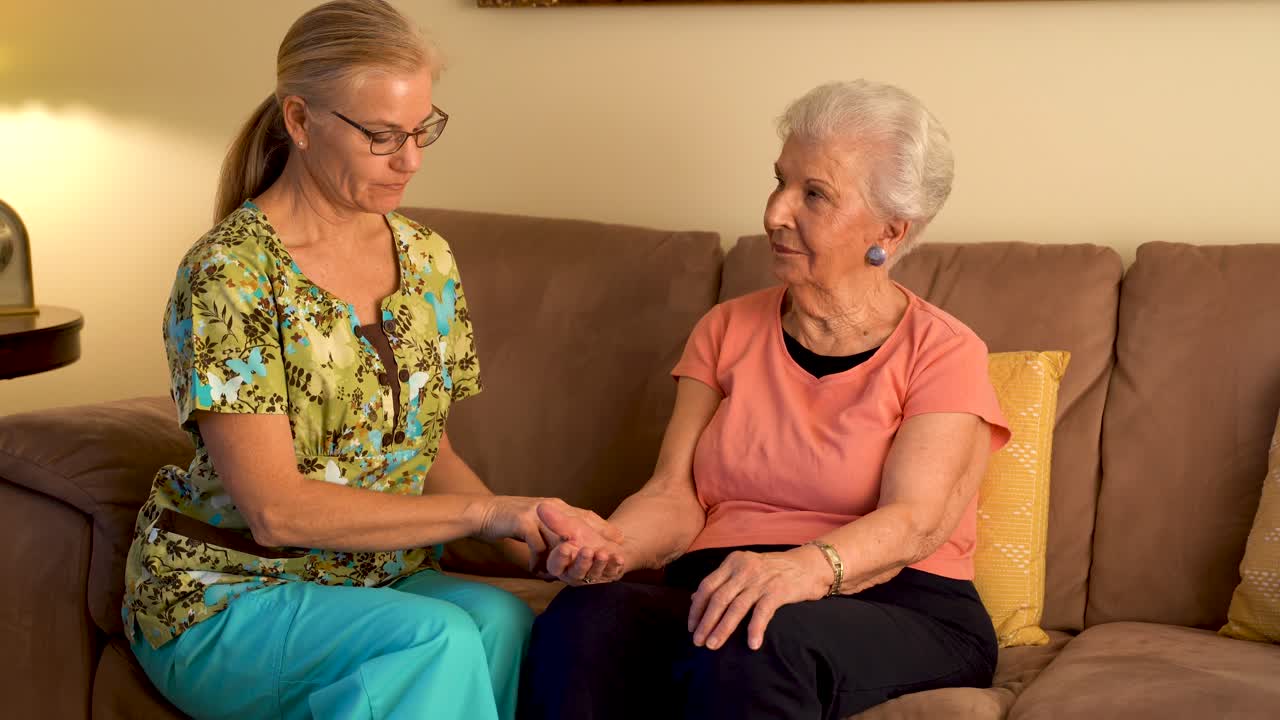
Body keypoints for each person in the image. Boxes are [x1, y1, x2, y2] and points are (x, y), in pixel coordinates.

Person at [122, 2, 617, 719]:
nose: (410, 160)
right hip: (227, 591)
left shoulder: (428, 259)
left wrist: (537, 541)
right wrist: (485, 513)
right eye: (382, 136)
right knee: (436, 638)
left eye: (422, 130)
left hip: (370, 582)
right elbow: (275, 511)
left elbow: (427, 453)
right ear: (299, 120)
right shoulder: (231, 273)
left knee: (500, 619)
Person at [521, 80, 1012, 720]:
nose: (775, 212)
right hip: (722, 588)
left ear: (890, 231)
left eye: (814, 194)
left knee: (757, 638)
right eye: (780, 181)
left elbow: (916, 520)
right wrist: (612, 545)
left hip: (897, 604)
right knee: (587, 617)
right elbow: (674, 493)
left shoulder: (943, 350)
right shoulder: (725, 328)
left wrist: (802, 569)